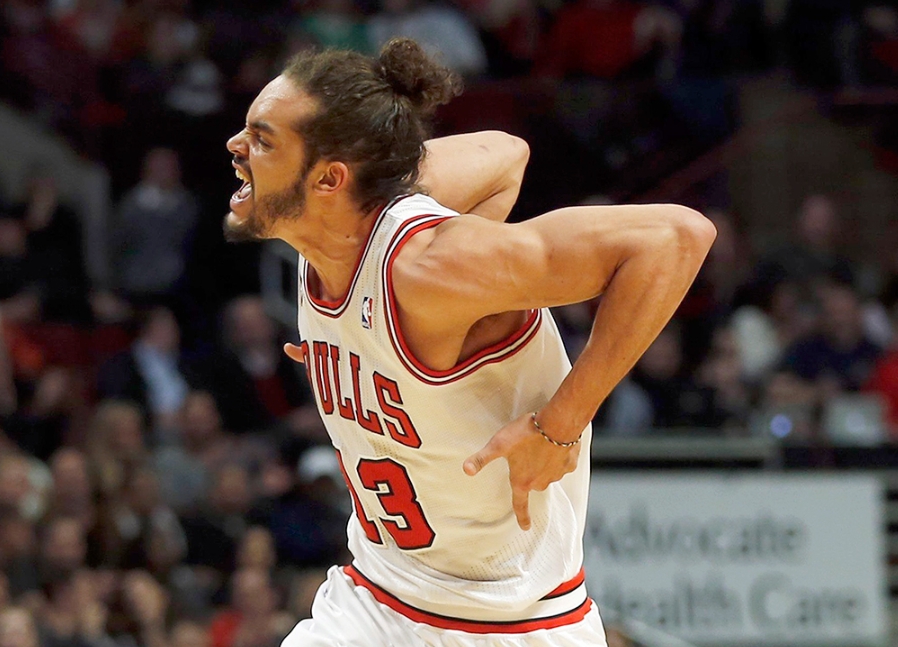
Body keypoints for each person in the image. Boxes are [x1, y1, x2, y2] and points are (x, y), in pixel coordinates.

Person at [222, 38, 715, 646]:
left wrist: (561, 425)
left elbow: (676, 238)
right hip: (374, 601)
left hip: (513, 625)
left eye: (263, 139)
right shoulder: (326, 238)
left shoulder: (431, 269)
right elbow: (505, 154)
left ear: (328, 178)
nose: (236, 146)